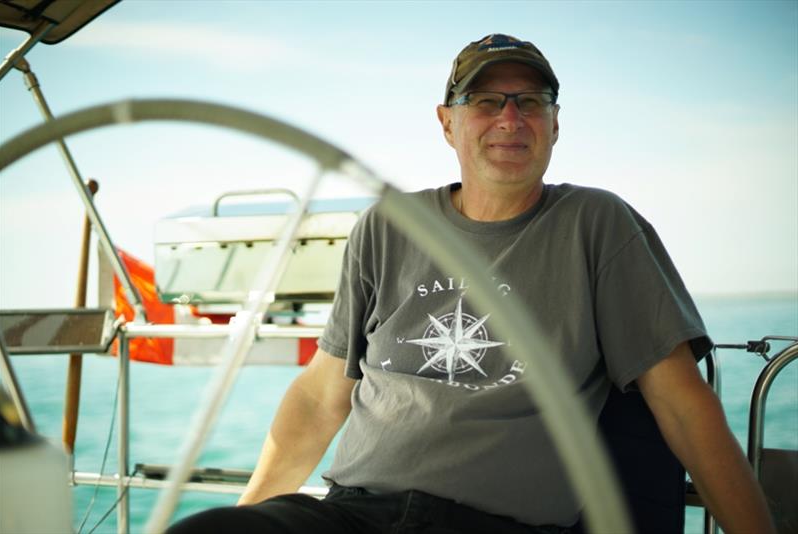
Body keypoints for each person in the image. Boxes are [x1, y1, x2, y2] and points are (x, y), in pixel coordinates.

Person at [169, 34, 775, 534]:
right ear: (447, 123)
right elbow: (320, 396)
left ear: (555, 124)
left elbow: (682, 403)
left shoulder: (597, 224)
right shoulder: (387, 226)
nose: (511, 118)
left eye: (531, 102)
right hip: (356, 514)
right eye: (486, 101)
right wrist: (247, 517)